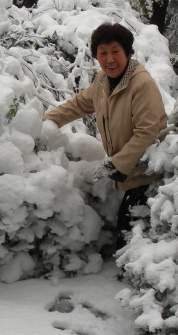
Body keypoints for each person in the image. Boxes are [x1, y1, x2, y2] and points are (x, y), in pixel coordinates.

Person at [43, 22, 167, 249]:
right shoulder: (102, 81)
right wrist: (45, 123)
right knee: (130, 225)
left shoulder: (142, 84)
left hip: (147, 170)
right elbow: (79, 104)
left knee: (130, 228)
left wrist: (117, 164)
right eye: (103, 53)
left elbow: (147, 132)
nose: (109, 59)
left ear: (127, 52)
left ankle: (135, 270)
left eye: (115, 52)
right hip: (129, 170)